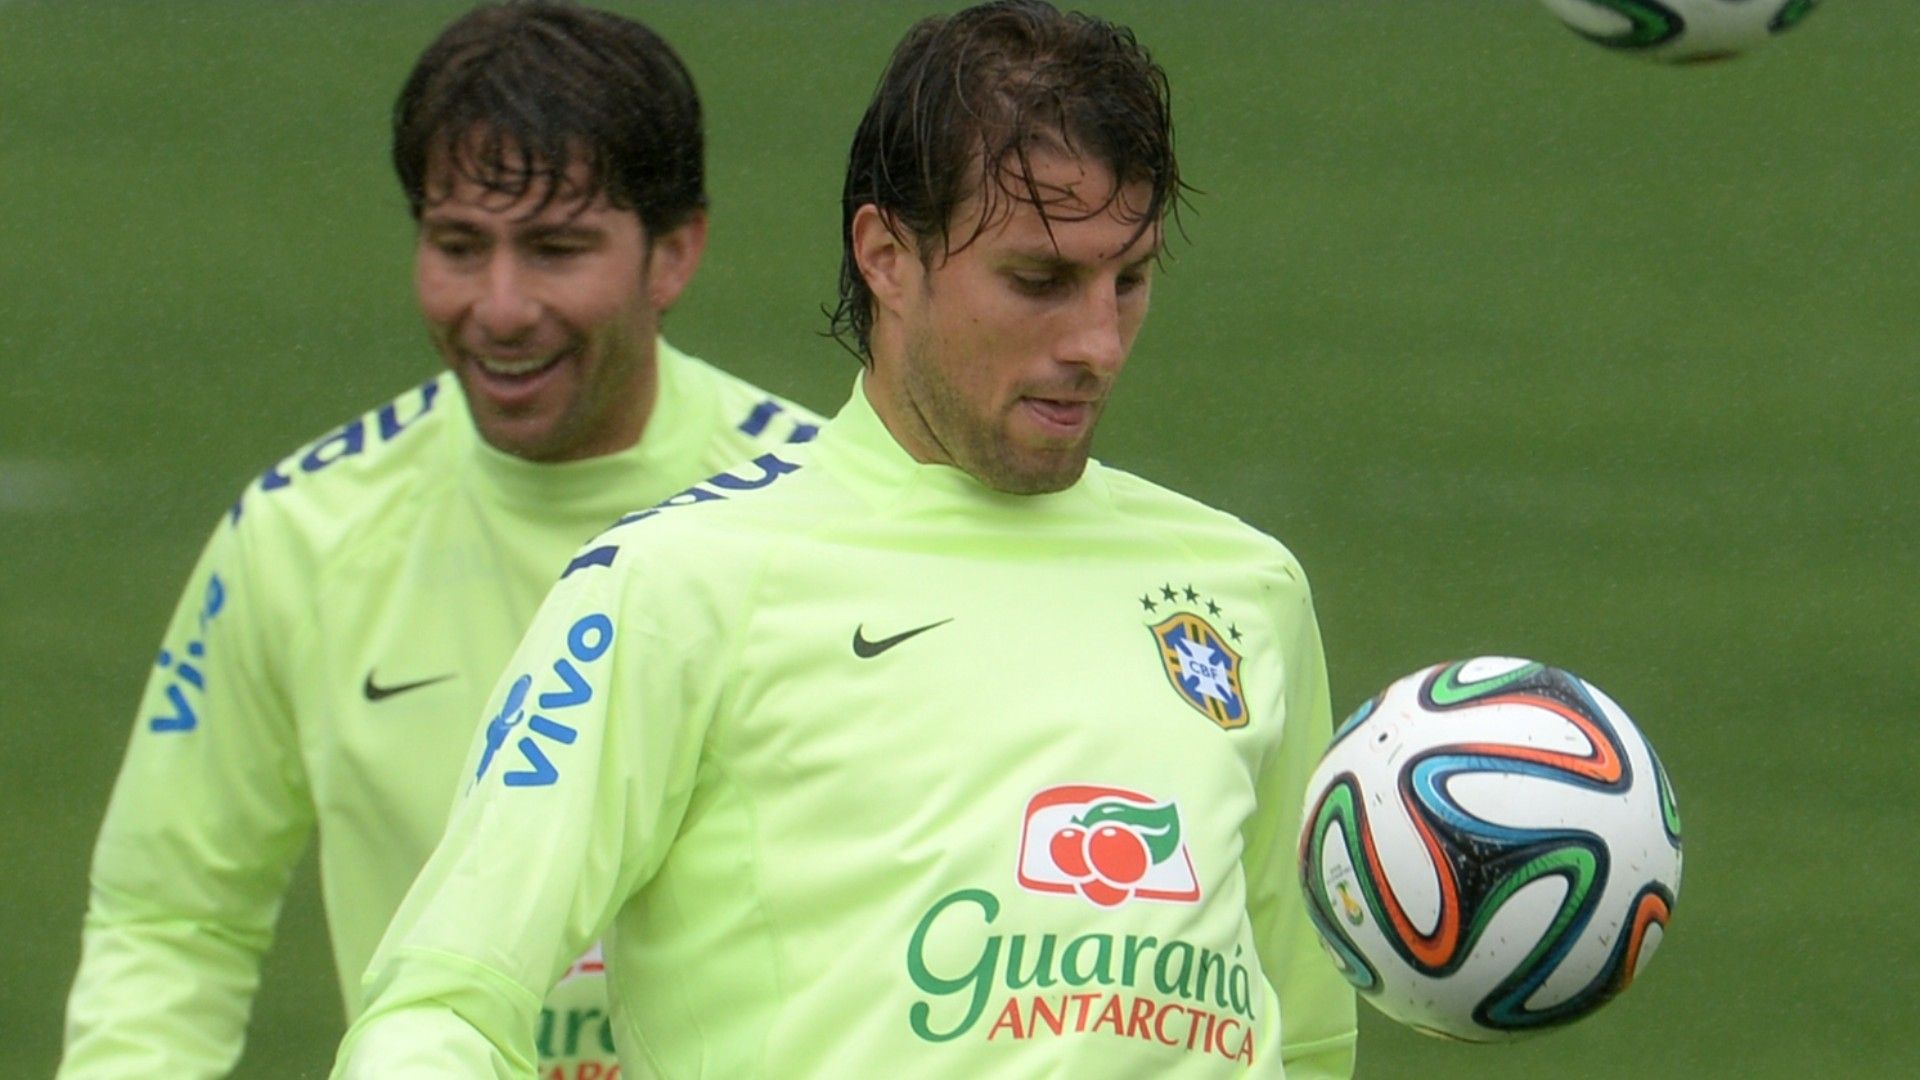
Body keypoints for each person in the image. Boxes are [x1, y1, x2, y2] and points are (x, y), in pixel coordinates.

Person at [334, 1, 1357, 1075]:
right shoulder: (674, 589)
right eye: (1040, 280)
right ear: (887, 255)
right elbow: (439, 1010)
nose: (1097, 343)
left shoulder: (1247, 592)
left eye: (1129, 278)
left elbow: (1311, 1038)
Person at [57, 3, 819, 1077]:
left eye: (556, 250)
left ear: (674, 253)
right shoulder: (300, 536)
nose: (499, 309)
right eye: (460, 246)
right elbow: (172, 918)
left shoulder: (830, 519)